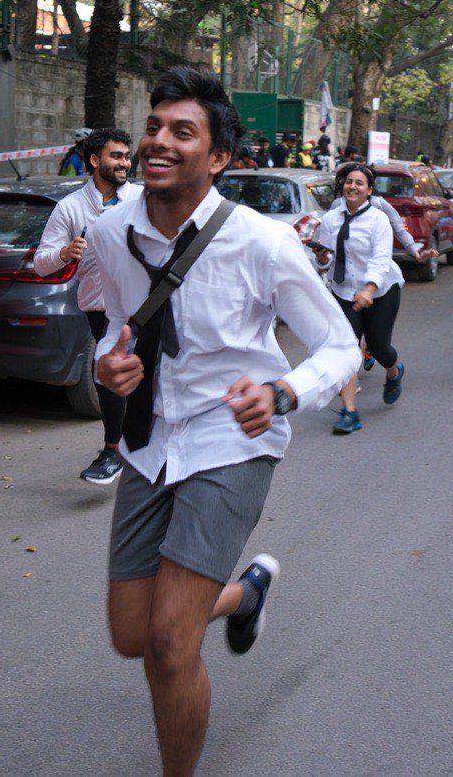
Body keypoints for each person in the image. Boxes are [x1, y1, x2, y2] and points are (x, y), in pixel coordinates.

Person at [91, 68, 359, 777]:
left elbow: (339, 345)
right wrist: (105, 365)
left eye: (183, 132)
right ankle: (245, 594)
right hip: (149, 442)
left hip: (232, 440)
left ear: (218, 159)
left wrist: (284, 392)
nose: (159, 142)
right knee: (130, 635)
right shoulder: (109, 232)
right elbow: (114, 324)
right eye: (154, 127)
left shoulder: (263, 243)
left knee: (172, 643)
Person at [33, 127, 141, 484]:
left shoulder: (142, 200)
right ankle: (113, 450)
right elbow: (41, 262)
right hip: (100, 309)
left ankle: (145, 445)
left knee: (151, 374)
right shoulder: (71, 208)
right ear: (95, 161)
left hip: (145, 306)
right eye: (116, 156)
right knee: (108, 374)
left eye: (127, 156)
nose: (125, 163)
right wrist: (64, 253)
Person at [309, 162, 405, 434]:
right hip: (344, 292)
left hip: (382, 290)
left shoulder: (378, 220)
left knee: (377, 347)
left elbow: (381, 260)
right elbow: (326, 259)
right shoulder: (331, 219)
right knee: (347, 350)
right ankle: (349, 412)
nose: (352, 186)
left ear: (369, 191)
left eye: (359, 183)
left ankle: (395, 369)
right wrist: (322, 259)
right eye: (349, 182)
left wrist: (369, 289)